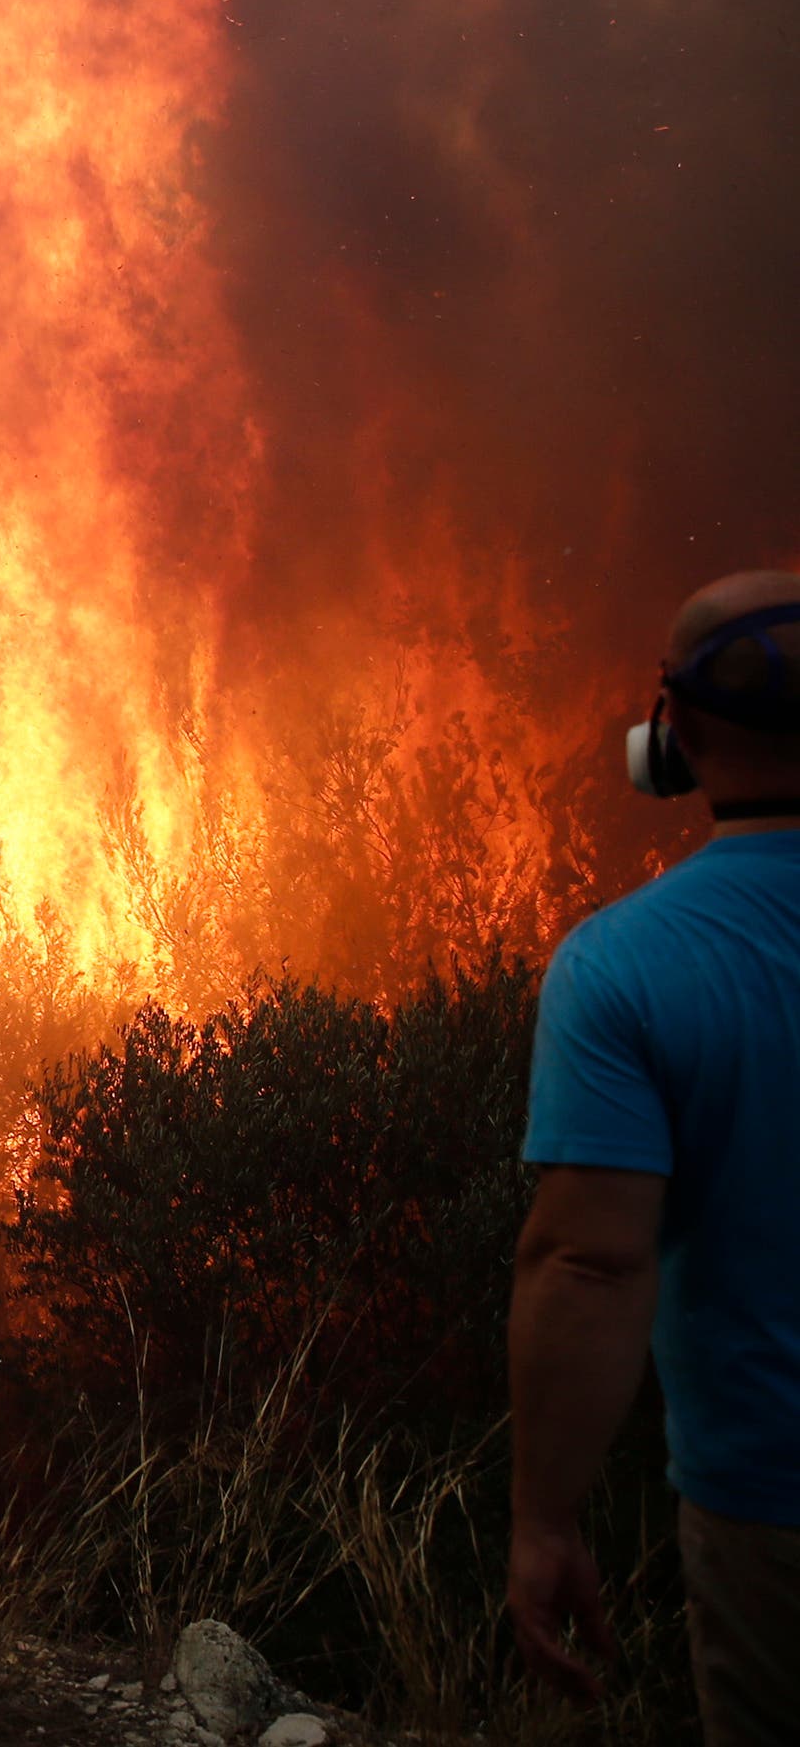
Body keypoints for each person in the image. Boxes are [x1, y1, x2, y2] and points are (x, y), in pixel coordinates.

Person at [511, 569, 800, 1741]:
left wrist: (544, 1520)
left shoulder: (624, 967)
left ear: (669, 733)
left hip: (770, 1510)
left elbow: (591, 1266)